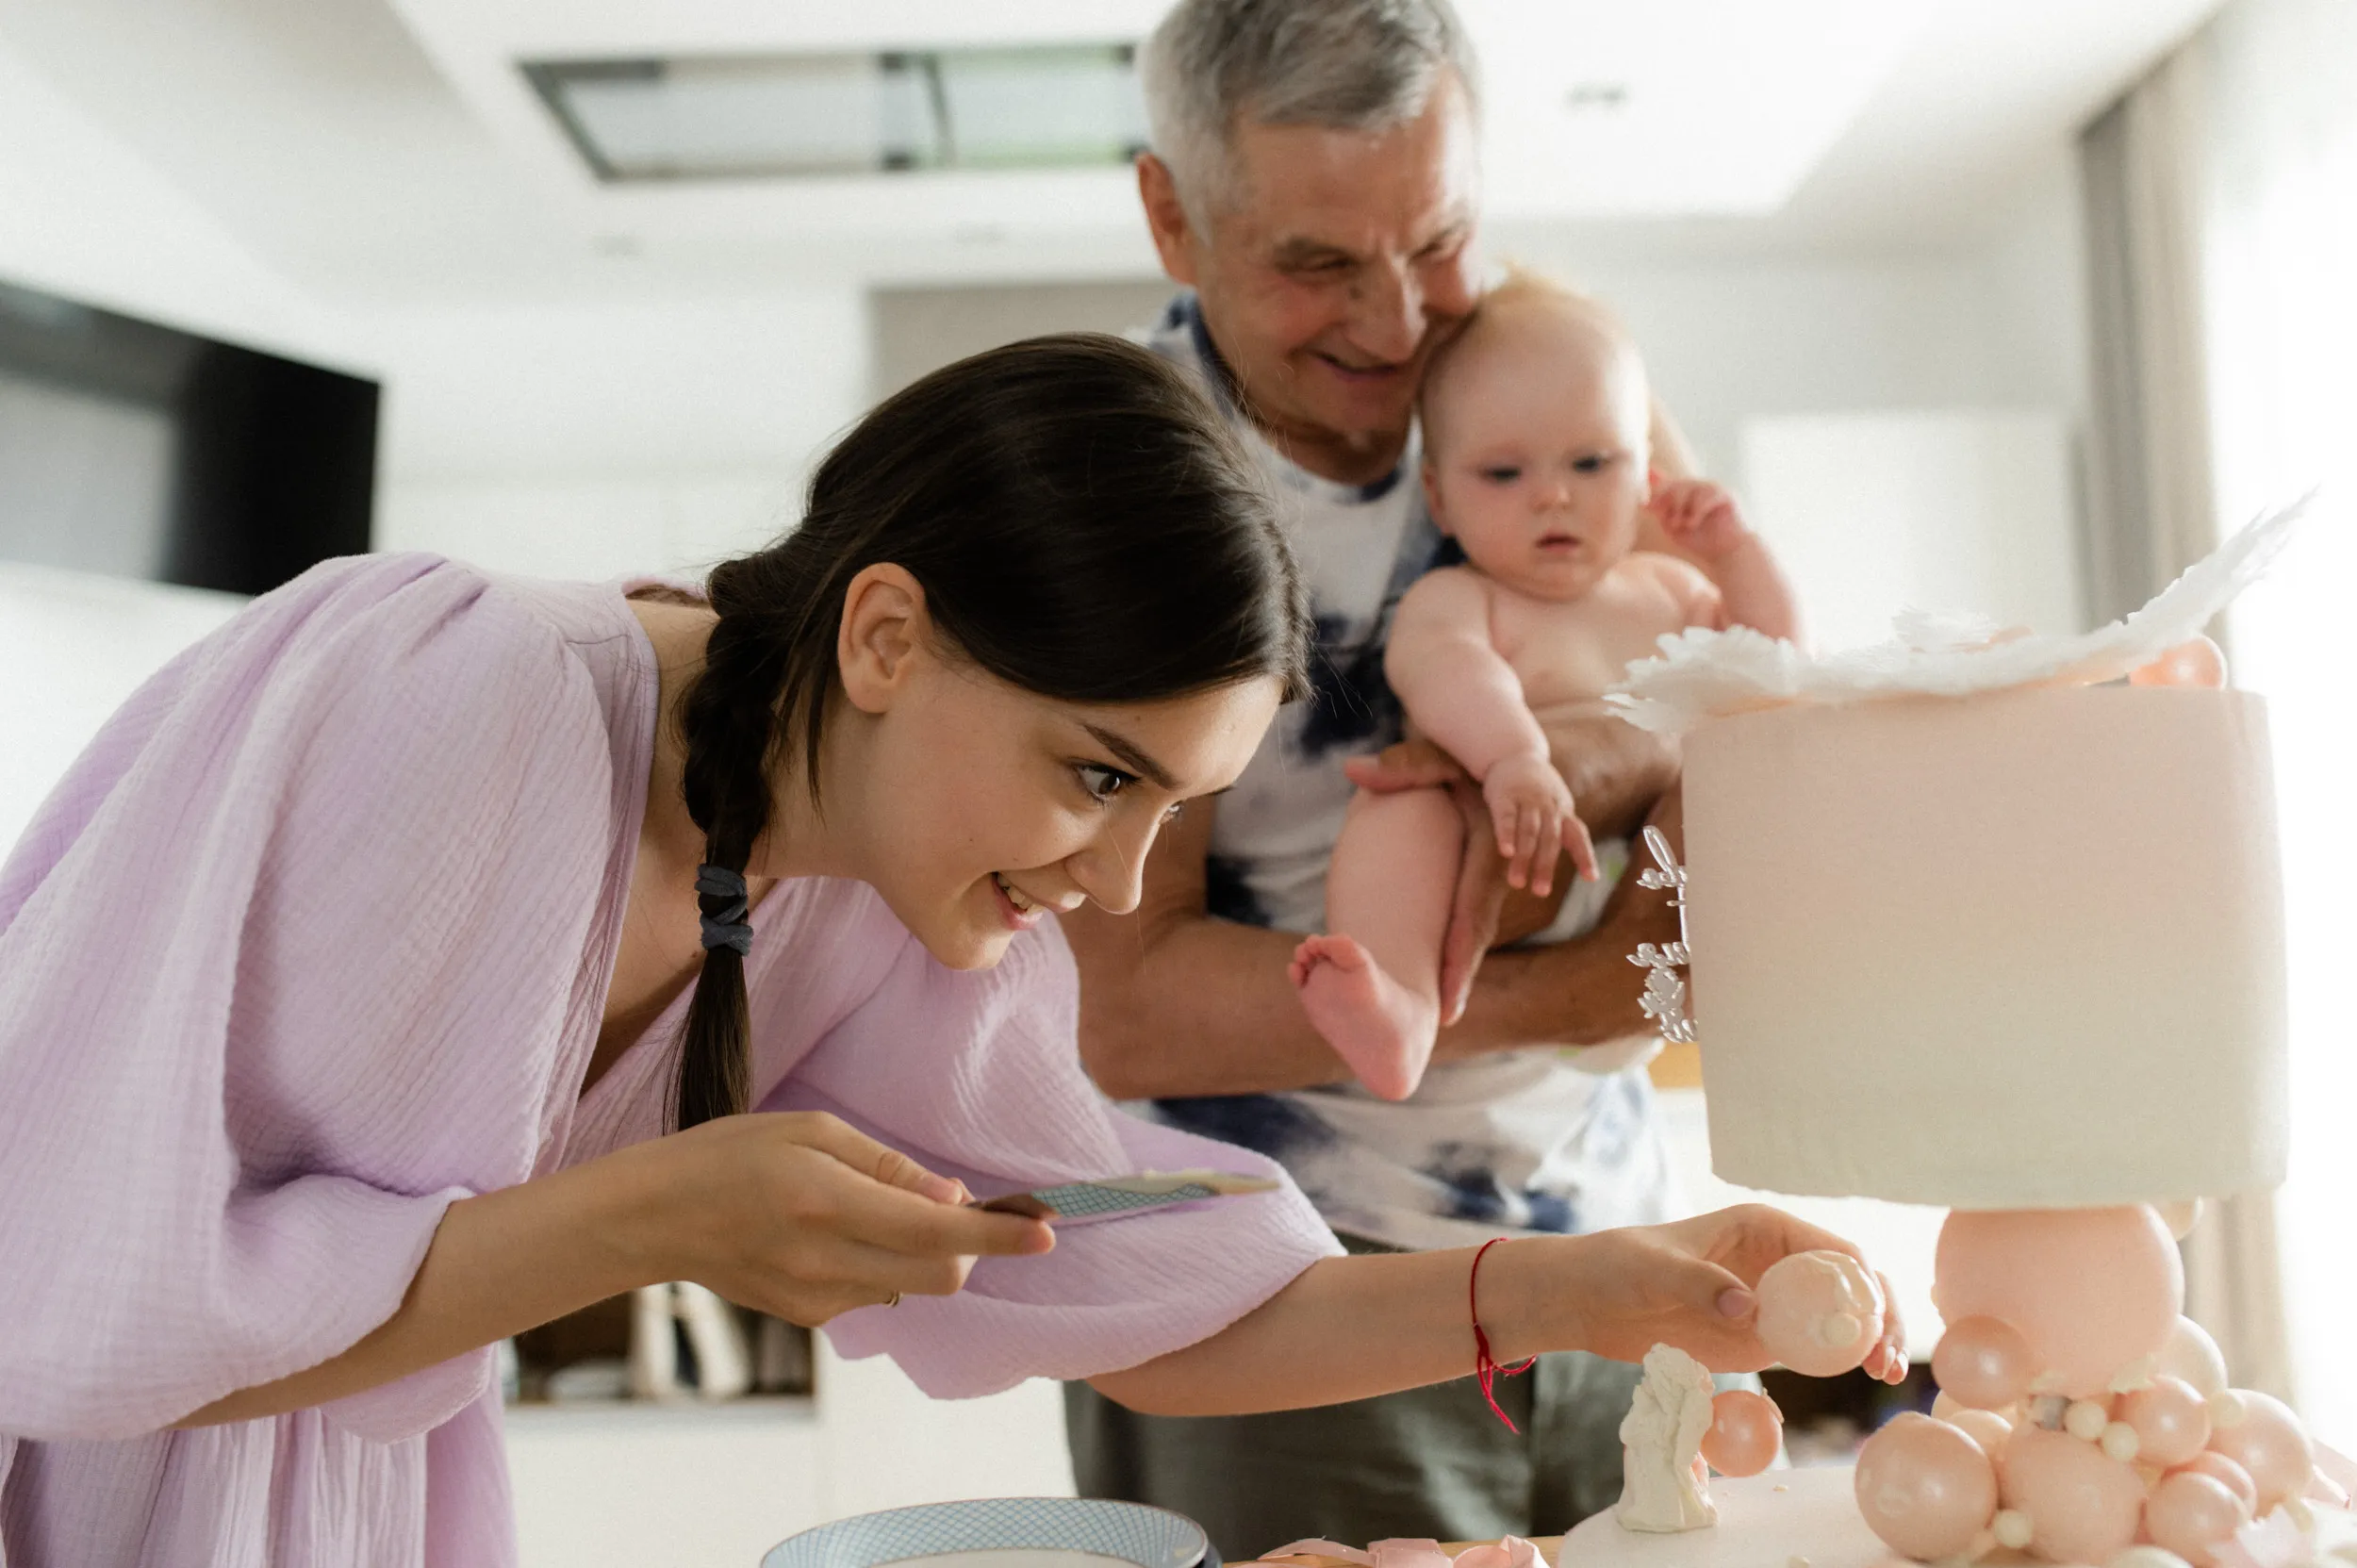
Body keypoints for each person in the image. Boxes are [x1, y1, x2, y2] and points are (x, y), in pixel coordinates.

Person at [0, 334, 1899, 1566]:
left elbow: (1160, 1298)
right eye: (1096, 775)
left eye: (1170, 810)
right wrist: (656, 1215)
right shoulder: (464, 703)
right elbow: (87, 1307)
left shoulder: (872, 899)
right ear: (888, 639)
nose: (1107, 875)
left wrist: (1609, 1283)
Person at [1060, 0, 1737, 1552]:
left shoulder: (1551, 375)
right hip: (1288, 1300)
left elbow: (1732, 689)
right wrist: (1584, 996)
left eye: (1438, 239)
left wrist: (1588, 752)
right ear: (1173, 214)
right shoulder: (1132, 493)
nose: (1399, 317)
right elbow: (1125, 1003)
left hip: (1607, 1239)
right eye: (1315, 264)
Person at [1294, 274, 1801, 1099]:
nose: (1553, 494)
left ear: (1648, 478)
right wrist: (1514, 757)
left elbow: (1773, 666)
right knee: (1399, 807)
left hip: (1655, 893)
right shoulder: (1459, 599)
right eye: (1502, 473)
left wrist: (1736, 553)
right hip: (1511, 867)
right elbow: (1446, 672)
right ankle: (1405, 1005)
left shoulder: (1670, 590)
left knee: (1754, 791)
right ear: (1440, 499)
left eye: (1591, 462)